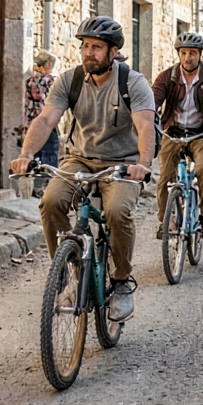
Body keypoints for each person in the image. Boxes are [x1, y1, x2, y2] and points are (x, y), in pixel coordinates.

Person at [12, 17, 154, 323]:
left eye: (97, 47)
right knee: (51, 201)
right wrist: (26, 154)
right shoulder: (70, 80)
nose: (89, 53)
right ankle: (66, 270)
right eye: (85, 46)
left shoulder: (133, 83)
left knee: (117, 211)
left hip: (124, 163)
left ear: (113, 51)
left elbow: (144, 125)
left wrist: (143, 163)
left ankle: (121, 282)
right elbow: (46, 120)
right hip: (79, 159)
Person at [152, 32, 203, 243]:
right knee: (165, 178)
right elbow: (153, 101)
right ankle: (165, 221)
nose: (188, 58)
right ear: (178, 54)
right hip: (174, 133)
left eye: (192, 53)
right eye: (184, 53)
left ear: (200, 55)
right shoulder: (167, 77)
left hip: (202, 134)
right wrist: (148, 120)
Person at [24, 51, 59, 170]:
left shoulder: (29, 81)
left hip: (32, 124)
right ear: (48, 65)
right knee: (50, 157)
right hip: (47, 122)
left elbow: (29, 104)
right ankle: (48, 186)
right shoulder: (51, 81)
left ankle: (36, 186)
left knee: (36, 158)